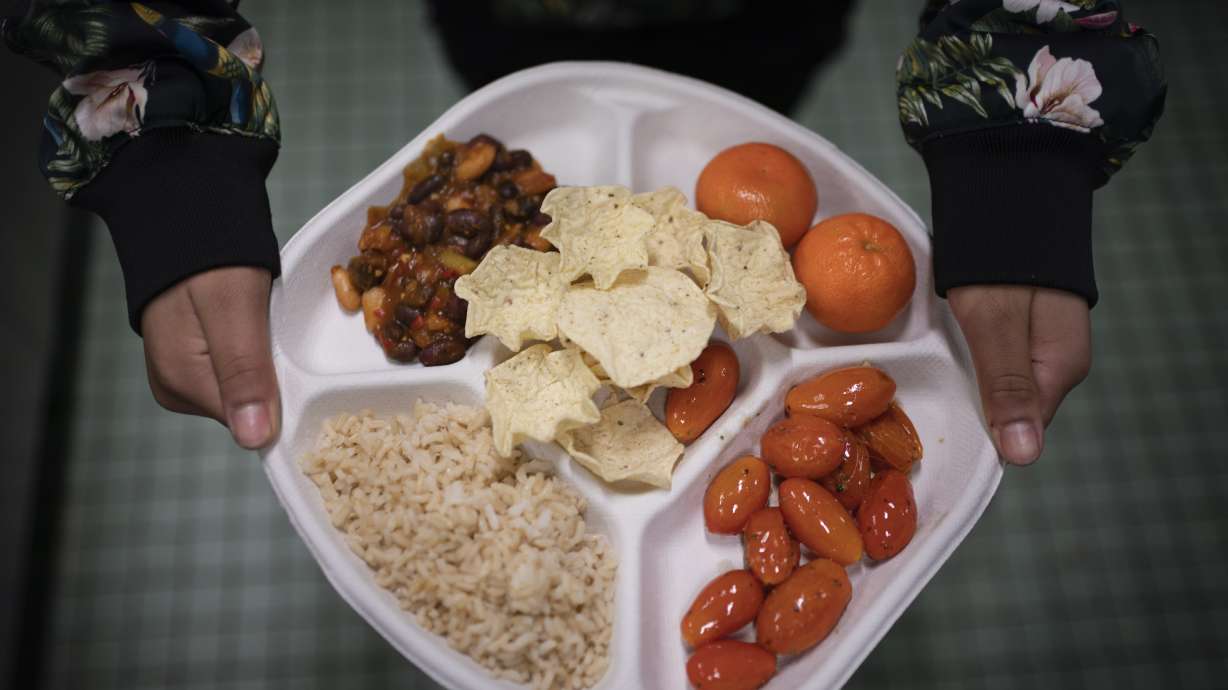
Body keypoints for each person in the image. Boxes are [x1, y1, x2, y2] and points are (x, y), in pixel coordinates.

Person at [2, 0, 1166, 465]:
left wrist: (1022, 116)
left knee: (759, 81)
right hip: (508, 11)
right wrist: (160, 131)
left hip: (764, 12)